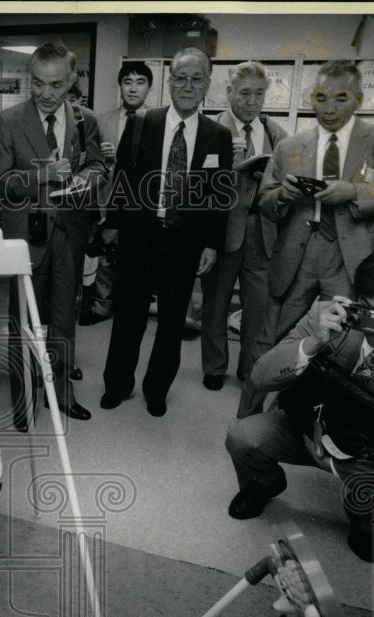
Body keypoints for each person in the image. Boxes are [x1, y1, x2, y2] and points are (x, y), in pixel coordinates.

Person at [225, 246, 374, 563]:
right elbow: (260, 377)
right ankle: (265, 484)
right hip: (308, 429)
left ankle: (364, 518)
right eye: (367, 309)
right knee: (242, 436)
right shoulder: (328, 315)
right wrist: (313, 343)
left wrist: (337, 467)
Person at [237, 60, 374, 418]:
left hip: (353, 259)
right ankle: (247, 420)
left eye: (340, 98)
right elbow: (265, 204)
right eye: (321, 98)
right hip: (296, 256)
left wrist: (352, 192)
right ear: (311, 98)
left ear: (359, 99)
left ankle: (319, 421)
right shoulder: (291, 146)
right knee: (269, 340)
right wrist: (284, 195)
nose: (329, 108)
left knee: (344, 344)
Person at [100, 47, 232, 417]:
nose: (188, 86)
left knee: (172, 322)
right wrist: (112, 225)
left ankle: (156, 390)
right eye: (181, 78)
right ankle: (118, 384)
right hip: (141, 235)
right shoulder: (143, 122)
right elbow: (122, 179)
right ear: (170, 82)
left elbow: (220, 196)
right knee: (128, 316)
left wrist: (212, 244)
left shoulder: (217, 136)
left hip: (184, 242)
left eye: (196, 79)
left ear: (207, 84)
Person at [0, 42, 105, 427]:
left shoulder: (86, 120)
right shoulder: (7, 121)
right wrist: (44, 174)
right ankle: (23, 401)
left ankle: (62, 395)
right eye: (38, 83)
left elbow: (98, 163)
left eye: (56, 84)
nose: (46, 93)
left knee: (64, 319)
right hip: (27, 236)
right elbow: (1, 184)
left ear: (71, 80)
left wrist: (89, 177)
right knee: (23, 321)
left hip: (70, 233)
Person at [200, 61, 289, 391]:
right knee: (216, 304)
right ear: (228, 93)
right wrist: (228, 166)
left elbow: (287, 177)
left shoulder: (275, 132)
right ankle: (214, 365)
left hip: (263, 231)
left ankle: (248, 367)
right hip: (223, 230)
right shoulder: (212, 130)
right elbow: (198, 186)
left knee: (258, 307)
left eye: (259, 94)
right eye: (245, 93)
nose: (252, 101)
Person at [81, 61, 156, 327]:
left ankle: (131, 306)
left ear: (149, 87)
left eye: (140, 82)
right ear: (120, 85)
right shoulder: (101, 121)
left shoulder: (158, 120)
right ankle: (100, 306)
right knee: (104, 254)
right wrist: (107, 161)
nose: (133, 88)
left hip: (141, 199)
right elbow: (88, 162)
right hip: (107, 195)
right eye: (128, 81)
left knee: (136, 255)